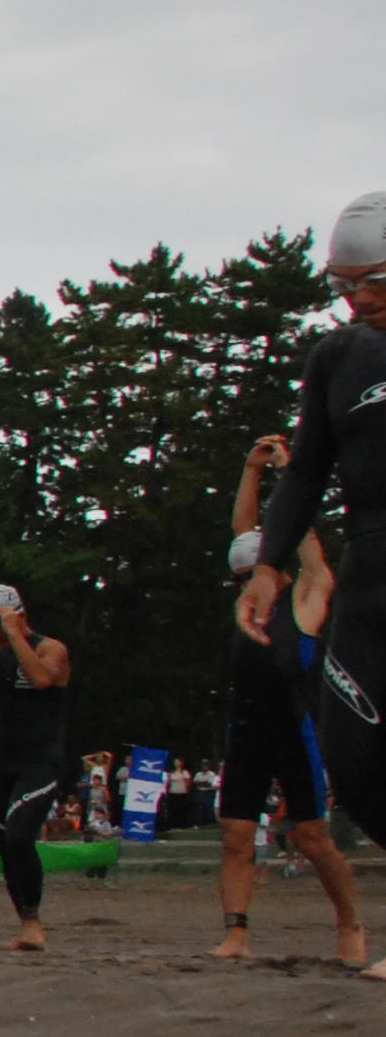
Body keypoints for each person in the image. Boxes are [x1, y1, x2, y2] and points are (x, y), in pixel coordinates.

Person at [240, 190, 386, 981]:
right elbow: (306, 472)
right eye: (344, 283)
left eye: (376, 282)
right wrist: (268, 563)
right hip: (371, 568)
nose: (358, 300)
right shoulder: (338, 357)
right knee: (351, 757)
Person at [216, 460, 366, 962]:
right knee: (235, 834)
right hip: (245, 730)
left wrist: (293, 481)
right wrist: (251, 471)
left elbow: (317, 567)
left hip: (291, 731)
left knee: (312, 837)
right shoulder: (247, 606)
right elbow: (243, 530)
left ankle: (349, 924)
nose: (245, 583)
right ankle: (236, 933)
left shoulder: (301, 602)